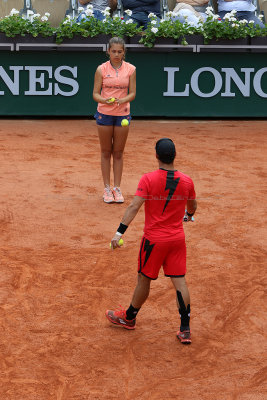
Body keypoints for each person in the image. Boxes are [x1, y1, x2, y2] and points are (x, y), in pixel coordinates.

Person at [105, 138, 197, 344]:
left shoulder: (148, 179)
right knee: (180, 282)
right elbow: (192, 207)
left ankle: (129, 318)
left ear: (156, 156)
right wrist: (188, 215)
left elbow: (134, 207)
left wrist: (119, 233)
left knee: (144, 279)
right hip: (177, 239)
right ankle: (185, 329)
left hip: (154, 241)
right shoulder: (187, 181)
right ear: (174, 156)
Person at [93, 37, 136, 203]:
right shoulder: (101, 69)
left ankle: (117, 189)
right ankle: (106, 189)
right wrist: (104, 100)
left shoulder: (131, 69)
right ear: (108, 52)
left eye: (119, 51)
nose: (116, 54)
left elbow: (132, 93)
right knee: (105, 152)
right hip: (104, 112)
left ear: (124, 52)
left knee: (118, 153)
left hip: (123, 113)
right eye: (113, 51)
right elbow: (95, 94)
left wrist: (123, 100)